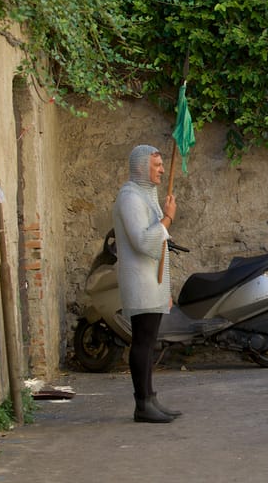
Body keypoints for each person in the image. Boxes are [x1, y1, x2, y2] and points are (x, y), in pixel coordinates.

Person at [112, 145, 180, 423]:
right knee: (142, 342)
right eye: (157, 165)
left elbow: (157, 241)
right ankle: (142, 404)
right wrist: (168, 217)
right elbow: (142, 240)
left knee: (149, 342)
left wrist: (166, 290)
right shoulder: (130, 197)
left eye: (163, 164)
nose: (162, 170)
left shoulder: (145, 195)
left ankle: (150, 398)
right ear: (142, 167)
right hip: (140, 282)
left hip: (152, 281)